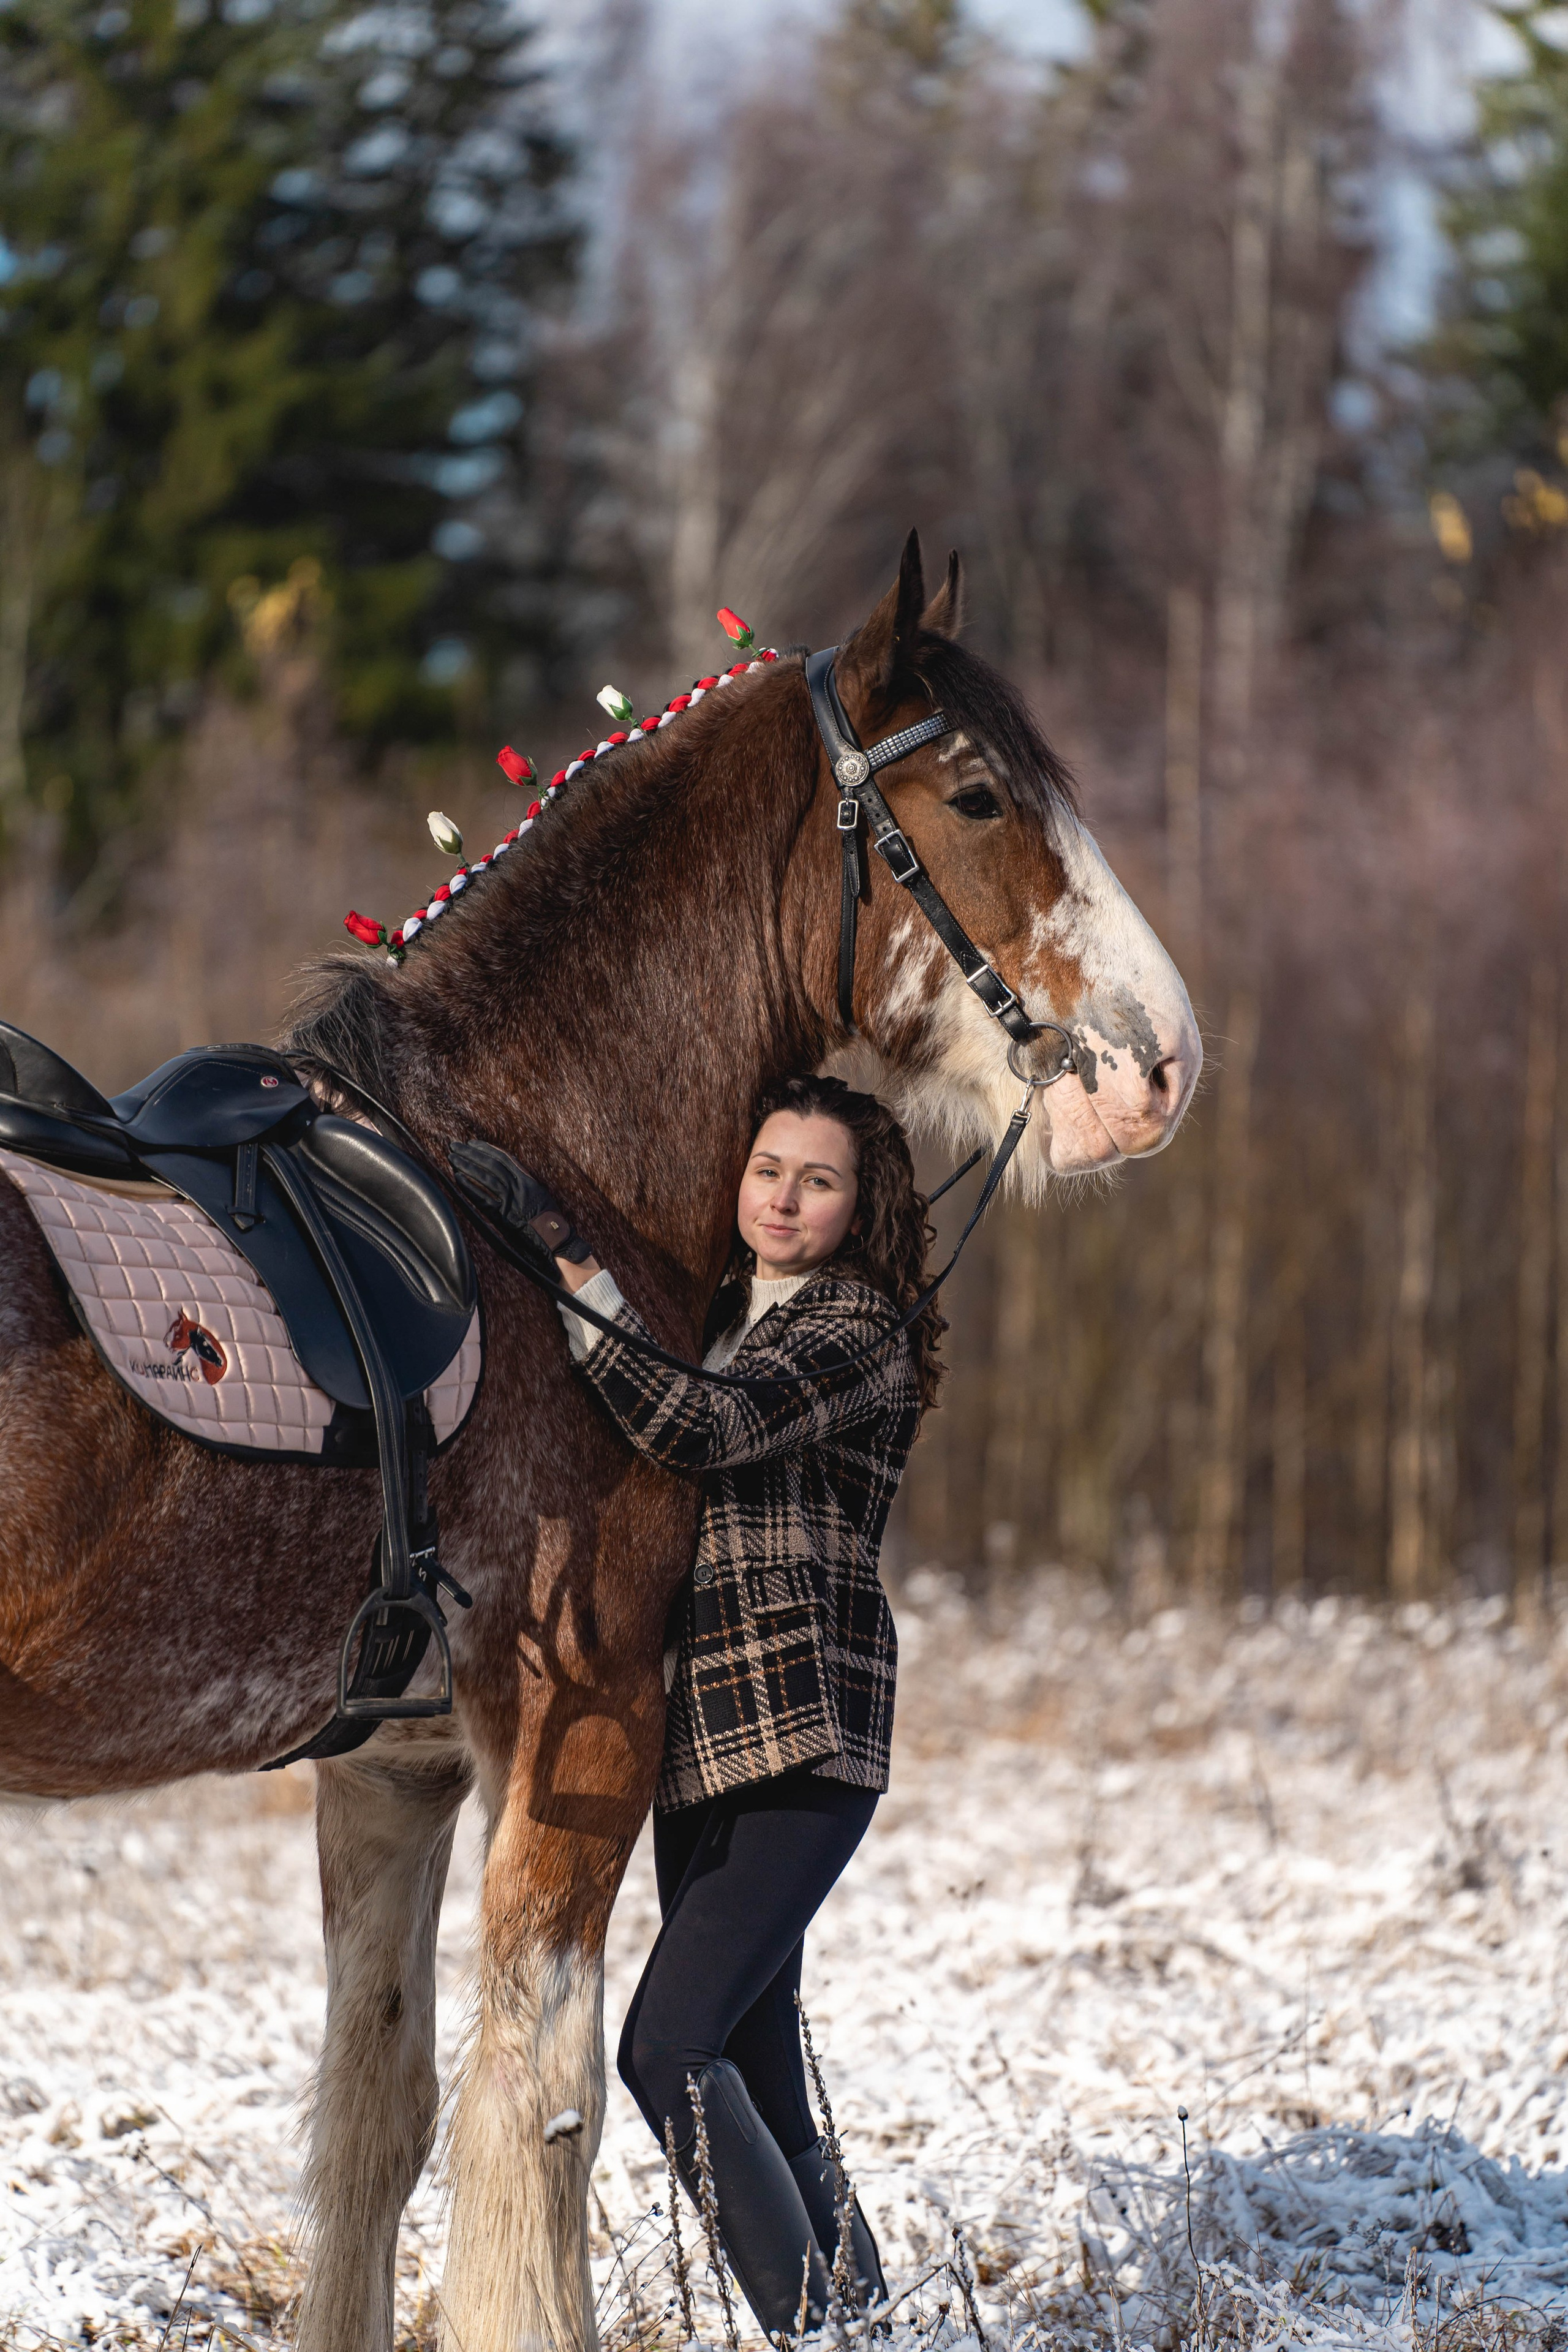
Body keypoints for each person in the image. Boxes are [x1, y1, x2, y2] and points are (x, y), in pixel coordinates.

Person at [451, 1074, 944, 2339]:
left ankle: (808, 2330)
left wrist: (565, 1260)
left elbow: (703, 1423)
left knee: (664, 2053)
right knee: (759, 2058)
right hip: (706, 1736)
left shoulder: (853, 1328)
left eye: (815, 1179)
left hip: (802, 1726)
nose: (781, 1198)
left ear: (859, 1204)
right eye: (765, 1169)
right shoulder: (723, 1309)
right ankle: (867, 2325)